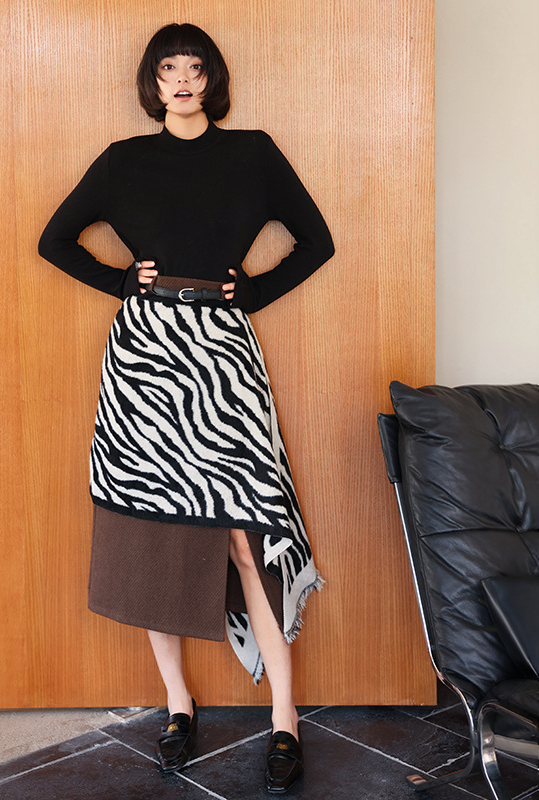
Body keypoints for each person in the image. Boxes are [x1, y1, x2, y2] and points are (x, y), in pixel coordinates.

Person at [38, 22, 334, 794]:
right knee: (155, 532)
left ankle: (285, 718)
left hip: (223, 356)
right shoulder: (123, 161)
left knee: (245, 533)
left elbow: (317, 241)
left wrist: (255, 292)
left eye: (194, 67)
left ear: (211, 79)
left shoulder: (254, 154)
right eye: (167, 68)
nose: (181, 79)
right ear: (153, 82)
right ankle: (178, 703)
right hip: (144, 358)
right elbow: (55, 240)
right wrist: (119, 283)